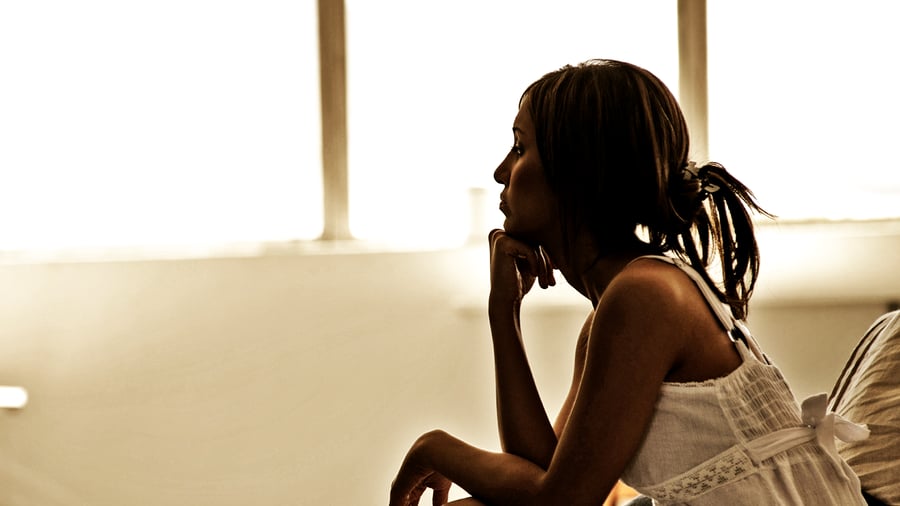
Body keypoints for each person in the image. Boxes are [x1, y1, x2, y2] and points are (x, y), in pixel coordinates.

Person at [389, 59, 869, 505]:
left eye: (519, 148)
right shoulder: (617, 306)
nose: (501, 172)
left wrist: (435, 447)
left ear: (577, 172)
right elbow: (539, 472)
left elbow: (560, 501)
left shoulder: (645, 295)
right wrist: (504, 313)